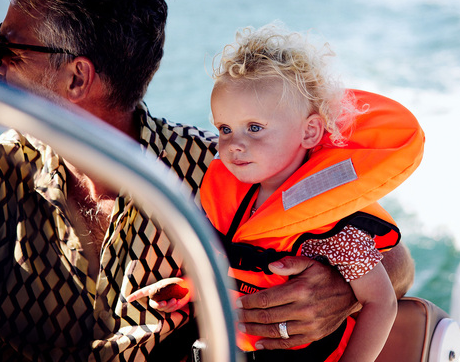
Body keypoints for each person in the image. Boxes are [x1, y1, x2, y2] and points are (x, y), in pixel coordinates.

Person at [0, 0, 415, 361]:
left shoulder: (225, 170)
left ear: (77, 76)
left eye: (9, 47)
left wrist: (338, 288)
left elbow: (395, 262)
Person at [130, 23, 425, 361]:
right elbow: (242, 272)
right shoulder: (233, 199)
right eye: (225, 128)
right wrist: (190, 289)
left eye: (255, 128)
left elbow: (380, 302)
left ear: (310, 131)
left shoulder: (332, 225)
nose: (234, 144)